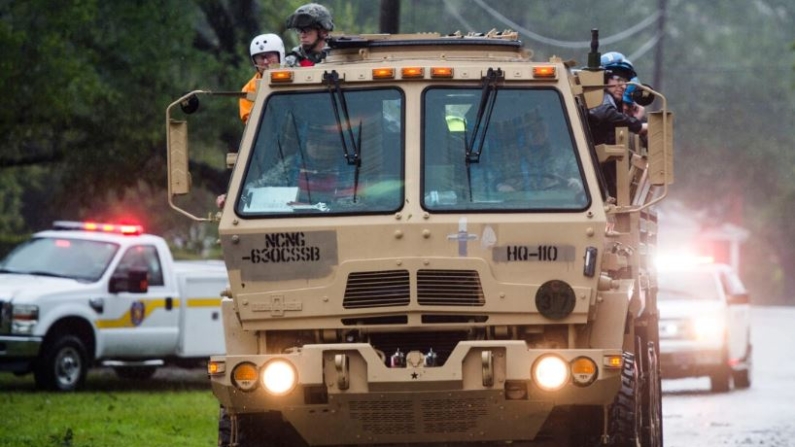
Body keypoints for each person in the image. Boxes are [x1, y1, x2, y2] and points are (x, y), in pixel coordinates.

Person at [587, 52, 647, 197]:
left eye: (625, 81)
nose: (622, 86)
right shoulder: (600, 98)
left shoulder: (617, 107)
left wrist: (633, 118)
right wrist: (638, 126)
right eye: (618, 79)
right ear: (605, 79)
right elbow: (603, 113)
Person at [240, 33, 285, 124]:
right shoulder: (248, 90)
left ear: (280, 55)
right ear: (254, 61)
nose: (265, 62)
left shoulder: (297, 77)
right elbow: (252, 123)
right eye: (260, 58)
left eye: (269, 56)